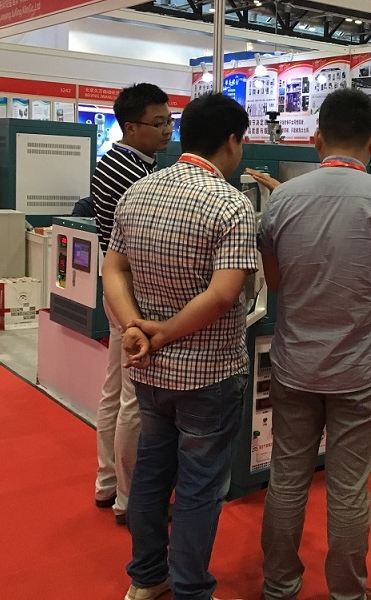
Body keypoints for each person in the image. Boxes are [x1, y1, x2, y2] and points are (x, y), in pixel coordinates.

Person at [256, 88, 371, 600]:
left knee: (287, 477)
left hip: (294, 362)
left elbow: (277, 283)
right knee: (348, 487)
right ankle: (348, 592)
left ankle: (279, 585)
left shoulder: (282, 200)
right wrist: (361, 323)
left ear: (317, 139)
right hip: (362, 367)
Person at [102, 93, 257, 600]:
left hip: (149, 369)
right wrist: (164, 330)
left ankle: (147, 578)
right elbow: (224, 294)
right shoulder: (230, 203)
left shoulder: (139, 192)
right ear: (231, 142)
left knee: (152, 472)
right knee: (199, 485)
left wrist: (134, 326)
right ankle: (191, 589)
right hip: (209, 372)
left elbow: (113, 269)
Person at [91, 83, 173, 525]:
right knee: (133, 400)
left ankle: (107, 482)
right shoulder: (132, 173)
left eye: (169, 120)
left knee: (114, 391)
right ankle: (129, 498)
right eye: (158, 123)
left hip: (116, 287)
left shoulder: (117, 161)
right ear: (131, 127)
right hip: (133, 293)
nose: (166, 130)